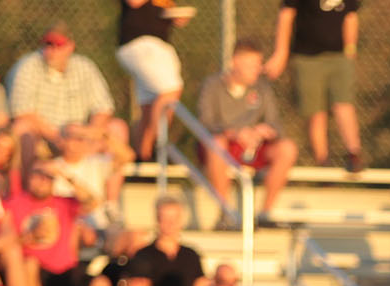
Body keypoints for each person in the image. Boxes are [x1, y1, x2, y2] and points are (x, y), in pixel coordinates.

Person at [199, 40, 297, 229]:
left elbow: (275, 124)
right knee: (217, 143)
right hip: (224, 146)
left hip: (253, 147)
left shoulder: (262, 88)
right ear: (235, 62)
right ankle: (225, 214)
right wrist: (234, 133)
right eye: (252, 65)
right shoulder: (213, 85)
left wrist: (263, 132)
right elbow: (206, 123)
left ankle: (265, 213)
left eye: (259, 64)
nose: (257, 70)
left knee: (287, 148)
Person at [7, 26, 134, 171]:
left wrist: (87, 136)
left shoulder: (85, 66)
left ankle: (109, 192)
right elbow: (23, 113)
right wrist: (59, 140)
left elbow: (103, 109)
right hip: (45, 138)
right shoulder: (28, 65)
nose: (53, 50)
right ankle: (24, 189)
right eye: (48, 44)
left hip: (82, 138)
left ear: (70, 47)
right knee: (21, 129)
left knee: (117, 128)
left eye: (58, 45)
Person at [268, 0, 362, 170]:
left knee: (343, 104)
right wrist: (281, 53)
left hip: (339, 56)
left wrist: (351, 48)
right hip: (307, 58)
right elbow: (286, 15)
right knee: (316, 113)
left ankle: (354, 154)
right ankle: (323, 161)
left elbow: (351, 17)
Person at [9, 164, 92, 286]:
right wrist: (30, 236)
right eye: (37, 177)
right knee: (30, 264)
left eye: (47, 179)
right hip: (31, 271)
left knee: (89, 279)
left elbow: (91, 201)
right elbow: (7, 241)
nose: (42, 182)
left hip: (63, 270)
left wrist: (66, 176)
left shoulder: (64, 203)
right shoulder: (14, 203)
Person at [117, 0, 193, 161]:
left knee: (150, 105)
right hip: (140, 44)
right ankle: (158, 147)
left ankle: (143, 156)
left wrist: (173, 16)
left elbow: (160, 10)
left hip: (160, 46)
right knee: (170, 91)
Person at [125, 195, 208, 286]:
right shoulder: (143, 254)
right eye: (165, 218)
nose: (170, 223)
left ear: (181, 221)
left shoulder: (191, 255)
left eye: (174, 219)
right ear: (157, 220)